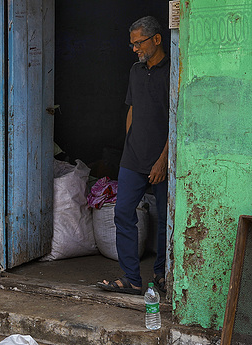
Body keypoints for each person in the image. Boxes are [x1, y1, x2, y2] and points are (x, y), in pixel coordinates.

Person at [99, 16, 169, 295]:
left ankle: (163, 273)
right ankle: (132, 278)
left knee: (166, 218)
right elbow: (132, 108)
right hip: (133, 158)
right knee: (122, 212)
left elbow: (178, 119)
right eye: (132, 44)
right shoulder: (135, 71)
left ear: (157, 39)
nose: (134, 49)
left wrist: (163, 159)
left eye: (139, 43)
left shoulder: (173, 71)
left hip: (163, 159)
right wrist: (130, 143)